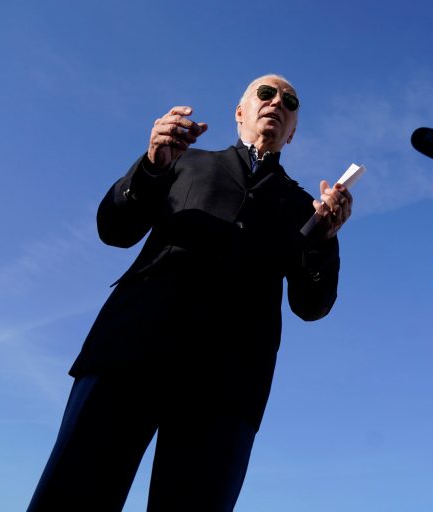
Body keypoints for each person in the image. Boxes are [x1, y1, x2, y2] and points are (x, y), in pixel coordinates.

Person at [28, 74, 353, 511]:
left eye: (289, 100)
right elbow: (114, 228)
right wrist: (151, 166)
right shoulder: (183, 160)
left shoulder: (303, 208)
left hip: (230, 383)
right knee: (72, 496)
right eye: (265, 92)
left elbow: (311, 305)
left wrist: (323, 241)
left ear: (292, 132)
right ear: (240, 112)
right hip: (129, 352)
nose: (277, 101)